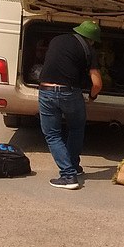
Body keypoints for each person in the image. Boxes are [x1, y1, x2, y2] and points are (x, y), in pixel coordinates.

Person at [38, 21, 103, 189]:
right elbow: (97, 84)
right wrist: (92, 97)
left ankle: (70, 172)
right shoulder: (90, 50)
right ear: (93, 39)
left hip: (46, 91)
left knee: (53, 135)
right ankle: (70, 172)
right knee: (76, 128)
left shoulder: (57, 40)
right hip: (70, 93)